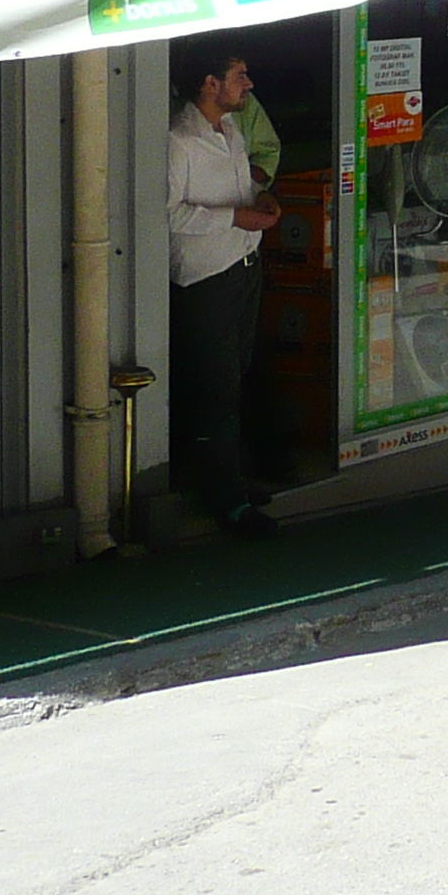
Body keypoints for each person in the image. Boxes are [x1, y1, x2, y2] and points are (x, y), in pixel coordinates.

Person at [169, 41, 281, 541]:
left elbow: (244, 189)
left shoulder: (231, 129)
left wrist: (262, 200)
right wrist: (237, 216)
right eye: (238, 75)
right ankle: (227, 500)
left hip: (244, 264)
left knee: (235, 377)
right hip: (205, 277)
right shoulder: (178, 140)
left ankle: (230, 478)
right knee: (214, 390)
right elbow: (166, 214)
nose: (248, 84)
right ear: (208, 85)